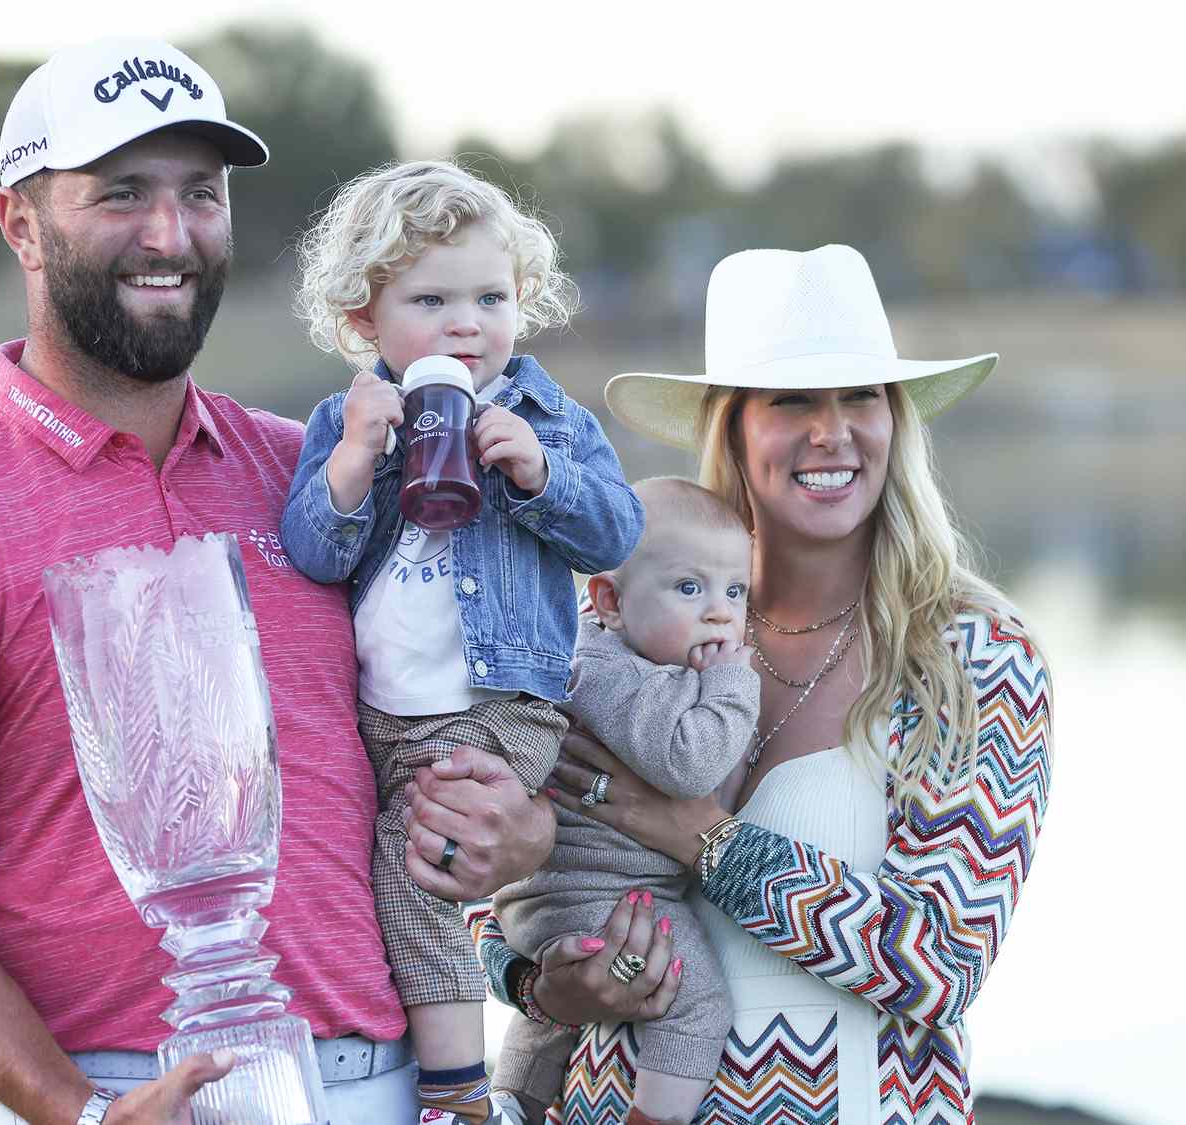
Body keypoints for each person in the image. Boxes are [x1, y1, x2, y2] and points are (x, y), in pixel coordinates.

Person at [0, 39, 554, 1125]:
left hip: (395, 1084)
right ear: (21, 222)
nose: (171, 235)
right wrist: (80, 1113)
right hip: (123, 1092)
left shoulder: (319, 476)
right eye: (121, 195)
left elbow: (448, 732)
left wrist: (521, 833)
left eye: (201, 194)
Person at [459, 244, 1054, 1124]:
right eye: (793, 400)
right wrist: (537, 981)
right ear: (733, 425)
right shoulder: (629, 619)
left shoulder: (974, 656)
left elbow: (941, 962)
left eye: (861, 395)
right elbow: (479, 858)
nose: (832, 430)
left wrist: (709, 842)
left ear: (896, 418)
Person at [279, 159, 644, 1125]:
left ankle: (454, 1095)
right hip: (383, 710)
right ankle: (384, 1061)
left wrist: (537, 476)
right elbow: (313, 553)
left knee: (419, 870)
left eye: (490, 296)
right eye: (429, 299)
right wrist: (360, 455)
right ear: (366, 321)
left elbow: (615, 534)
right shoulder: (346, 419)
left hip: (496, 703)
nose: (464, 323)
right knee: (366, 870)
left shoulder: (548, 418)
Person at [491, 476, 759, 1123]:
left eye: (736, 590)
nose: (720, 612)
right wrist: (731, 680)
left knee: (553, 1016)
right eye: (689, 588)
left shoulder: (616, 660)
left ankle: (513, 1099)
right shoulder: (605, 670)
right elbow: (692, 762)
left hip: (559, 902)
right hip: (599, 899)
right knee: (696, 1004)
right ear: (608, 600)